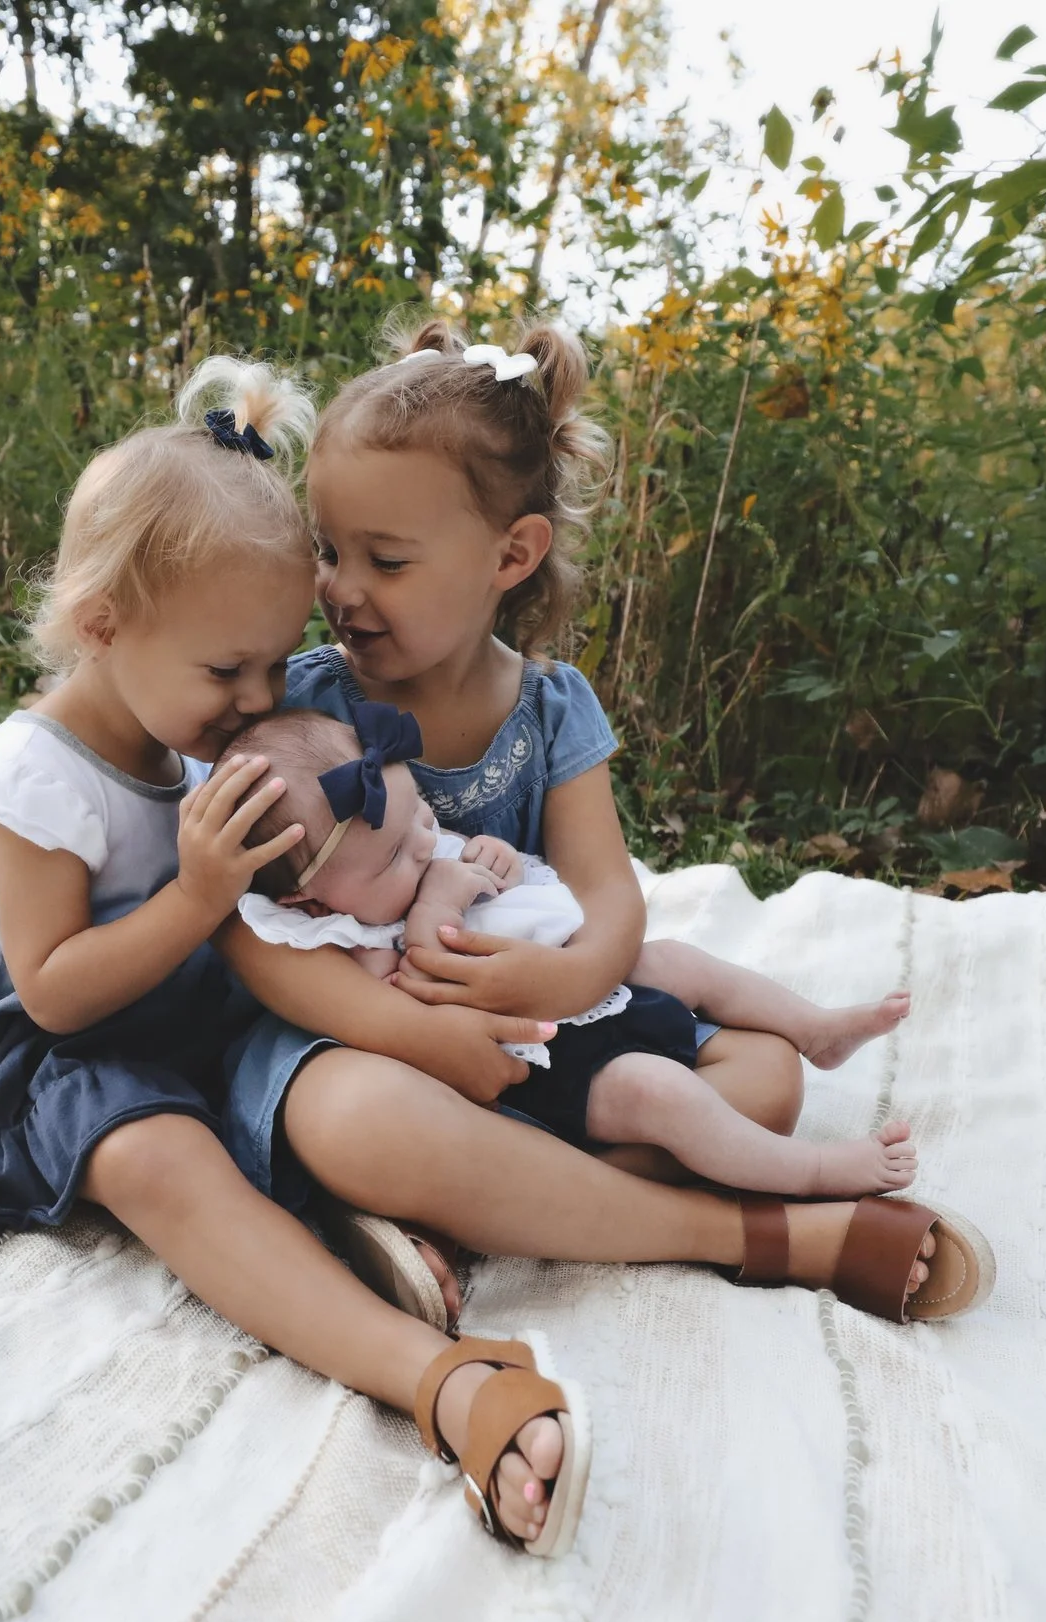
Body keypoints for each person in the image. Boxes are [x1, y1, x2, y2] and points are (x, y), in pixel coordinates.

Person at [0, 358, 591, 1555]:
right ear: (103, 626)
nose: (257, 698)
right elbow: (51, 992)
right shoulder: (33, 777)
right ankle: (443, 1379)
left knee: (310, 1047)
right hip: (33, 1046)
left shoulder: (186, 732)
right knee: (164, 1156)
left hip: (168, 996)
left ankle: (362, 1210)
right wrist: (202, 893)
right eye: (228, 672)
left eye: (274, 661)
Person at [216, 318, 995, 1334]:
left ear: (512, 552)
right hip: (390, 1040)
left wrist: (574, 977)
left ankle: (476, 1201)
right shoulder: (303, 713)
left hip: (564, 1038)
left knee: (763, 1079)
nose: (339, 588)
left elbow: (608, 893)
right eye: (327, 550)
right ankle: (682, 1217)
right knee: (349, 1119)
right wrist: (422, 1035)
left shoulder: (547, 705)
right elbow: (245, 931)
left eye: (386, 560)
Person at [230, 703, 920, 1199]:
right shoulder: (340, 934)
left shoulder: (401, 843)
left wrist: (493, 858)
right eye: (392, 862)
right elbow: (406, 990)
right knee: (664, 1094)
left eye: (421, 818)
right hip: (549, 1060)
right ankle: (813, 1174)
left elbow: (511, 877)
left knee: (679, 959)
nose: (422, 843)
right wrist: (438, 901)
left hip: (582, 980)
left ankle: (812, 1028)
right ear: (312, 900)